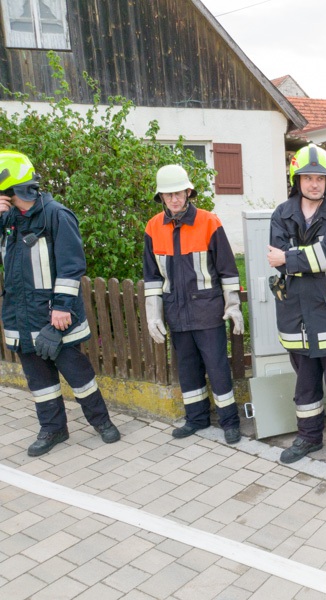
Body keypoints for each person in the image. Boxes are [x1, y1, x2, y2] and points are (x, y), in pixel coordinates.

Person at [0, 150, 121, 456]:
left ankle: (102, 422)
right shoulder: (7, 221)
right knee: (40, 382)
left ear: (11, 189)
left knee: (78, 375)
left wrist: (62, 306)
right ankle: (53, 429)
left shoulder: (56, 215)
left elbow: (71, 266)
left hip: (55, 317)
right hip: (21, 318)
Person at [267, 144, 326, 475]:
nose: (314, 183)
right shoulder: (281, 214)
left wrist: (293, 257)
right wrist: (317, 258)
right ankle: (309, 437)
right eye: (307, 177)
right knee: (305, 385)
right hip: (296, 317)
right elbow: (277, 260)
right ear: (297, 180)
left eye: (320, 178)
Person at [144, 164, 243, 445]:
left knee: (217, 368)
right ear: (161, 197)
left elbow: (227, 269)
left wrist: (232, 305)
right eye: (168, 194)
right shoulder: (153, 227)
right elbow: (152, 277)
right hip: (176, 312)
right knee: (187, 369)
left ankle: (230, 422)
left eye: (178, 193)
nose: (174, 199)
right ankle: (196, 419)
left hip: (208, 311)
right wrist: (154, 315)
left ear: (188, 192)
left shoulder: (209, 222)